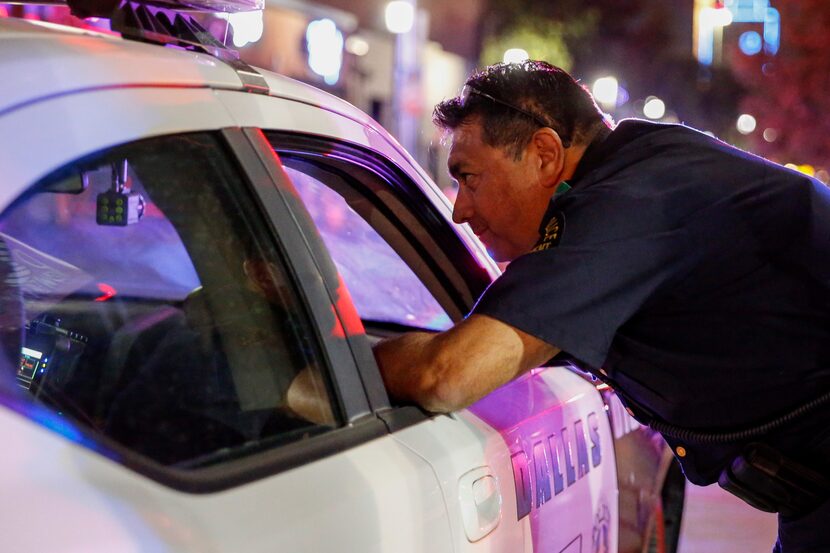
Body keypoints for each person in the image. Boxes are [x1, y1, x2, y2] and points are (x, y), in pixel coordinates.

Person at [373, 60, 830, 552]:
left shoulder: (629, 205)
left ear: (545, 154)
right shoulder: (644, 175)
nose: (460, 210)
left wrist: (322, 364)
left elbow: (447, 376)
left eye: (469, 177)